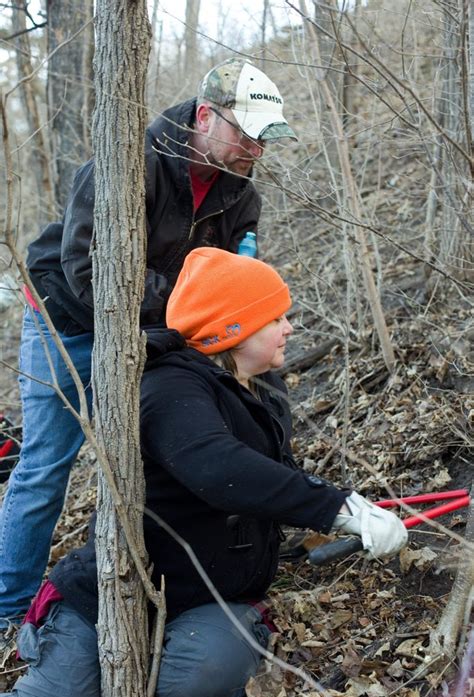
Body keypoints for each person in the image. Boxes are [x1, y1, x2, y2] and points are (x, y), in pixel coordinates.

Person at [0, 248, 408, 697]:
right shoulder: (168, 386)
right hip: (109, 588)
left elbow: (269, 474)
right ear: (232, 328)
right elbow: (217, 466)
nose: (289, 328)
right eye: (275, 318)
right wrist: (338, 508)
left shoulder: (259, 385)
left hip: (214, 594)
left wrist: (338, 509)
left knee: (190, 688)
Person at [0, 57, 297, 640]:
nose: (255, 151)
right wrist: (186, 314)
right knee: (46, 466)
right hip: (65, 321)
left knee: (173, 446)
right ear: (207, 117)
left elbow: (237, 276)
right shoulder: (129, 162)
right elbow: (87, 272)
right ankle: (9, 607)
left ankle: (203, 563)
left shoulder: (240, 191)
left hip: (165, 329)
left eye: (264, 140)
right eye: (246, 135)